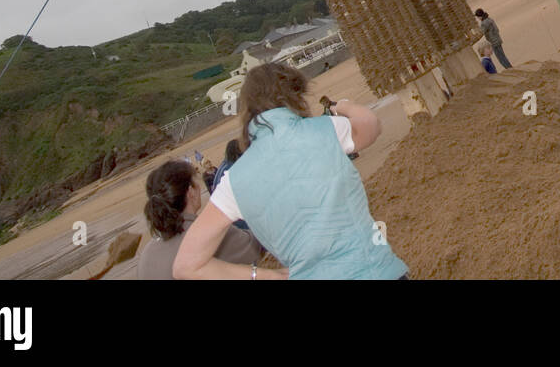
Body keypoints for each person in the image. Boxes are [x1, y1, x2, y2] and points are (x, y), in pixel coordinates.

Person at [175, 62, 407, 280]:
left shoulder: (232, 182)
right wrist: (343, 106)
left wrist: (266, 275)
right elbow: (371, 125)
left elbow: (186, 265)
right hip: (375, 270)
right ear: (294, 96)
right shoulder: (326, 130)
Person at [137, 159, 266, 280]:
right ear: (190, 192)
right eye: (195, 183)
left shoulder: (147, 255)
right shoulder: (207, 233)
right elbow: (256, 248)